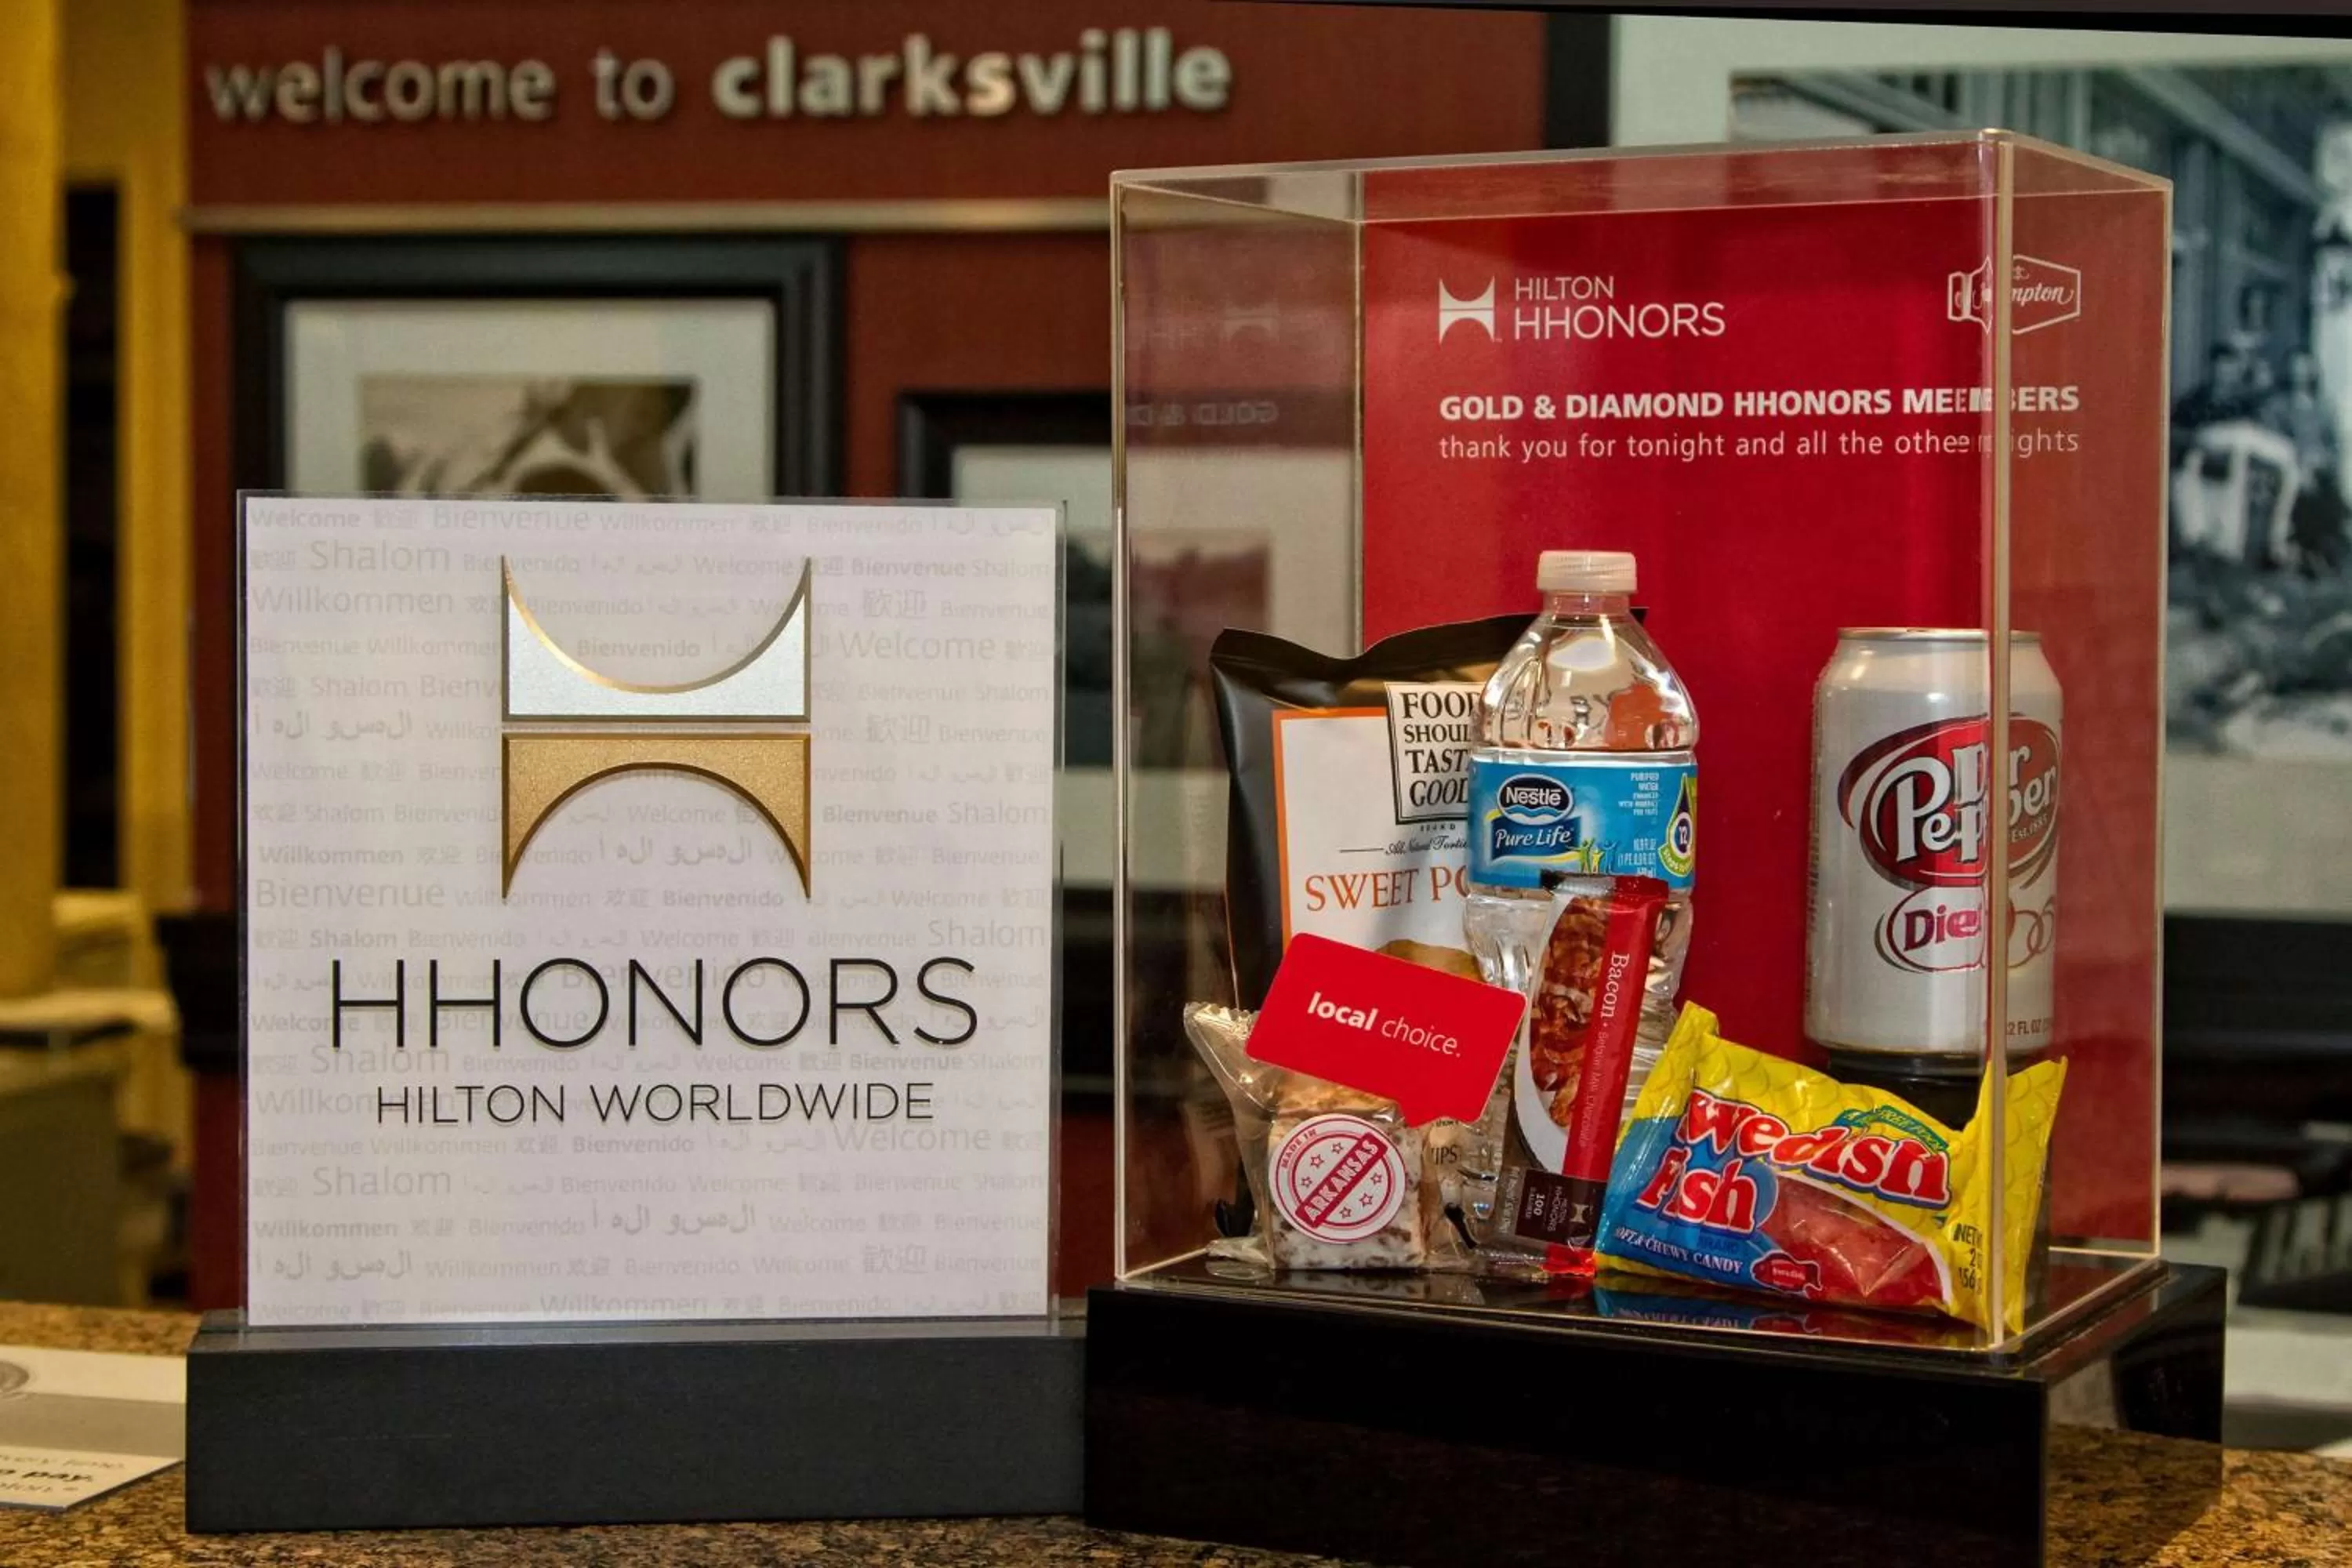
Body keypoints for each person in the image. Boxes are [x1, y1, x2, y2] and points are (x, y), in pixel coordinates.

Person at [2263, 351, 2347, 575]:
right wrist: (2302, 459)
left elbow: (2334, 444)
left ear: (2313, 371)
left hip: (2319, 468)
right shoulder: (2277, 405)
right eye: (2296, 367)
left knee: (2326, 489)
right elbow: (2273, 441)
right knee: (2306, 487)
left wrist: (2323, 461)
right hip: (2288, 467)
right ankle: (2310, 553)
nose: (2300, 373)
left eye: (2305, 367)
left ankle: (2321, 550)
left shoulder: (2323, 406)